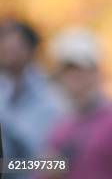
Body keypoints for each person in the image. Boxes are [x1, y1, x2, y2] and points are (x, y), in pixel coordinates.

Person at [39, 27, 112, 179]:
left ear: (96, 73)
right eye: (67, 71)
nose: (73, 78)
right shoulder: (60, 124)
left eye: (80, 70)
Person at [0, 20, 66, 175]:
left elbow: (56, 164)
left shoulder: (51, 97)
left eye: (15, 49)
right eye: (4, 48)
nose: (9, 54)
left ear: (30, 50)